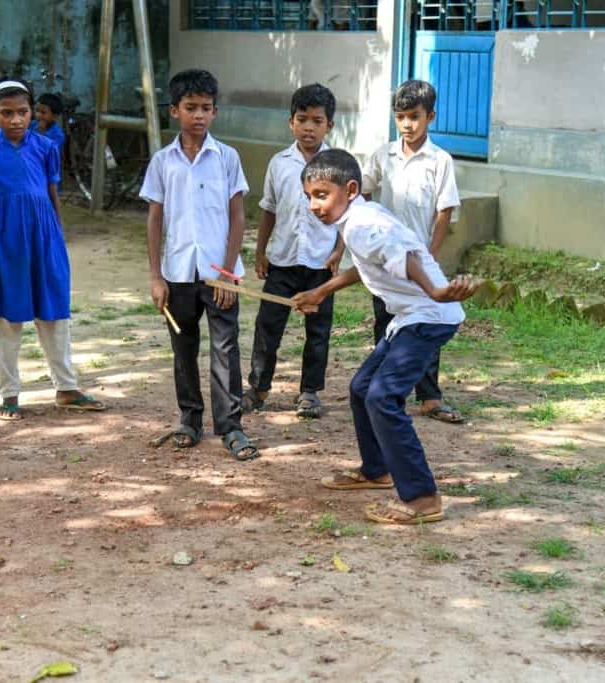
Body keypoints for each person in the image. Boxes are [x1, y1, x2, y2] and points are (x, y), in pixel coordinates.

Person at [292, 149, 478, 524]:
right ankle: (377, 470)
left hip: (428, 315)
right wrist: (322, 291)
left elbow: (404, 255)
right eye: (309, 196)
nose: (314, 205)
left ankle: (423, 498)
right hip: (412, 315)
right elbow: (370, 266)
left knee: (383, 396)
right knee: (362, 387)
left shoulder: (361, 225)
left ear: (351, 188)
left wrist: (436, 292)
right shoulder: (358, 218)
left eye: (322, 195)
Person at [0, 79, 105, 420]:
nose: (16, 120)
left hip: (44, 235)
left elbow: (51, 191)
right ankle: (9, 395)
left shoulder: (45, 145)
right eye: (6, 113)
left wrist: (57, 232)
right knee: (8, 318)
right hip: (5, 237)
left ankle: (66, 387)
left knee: (54, 313)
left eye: (23, 112)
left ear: (32, 112)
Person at [140, 69, 258, 460]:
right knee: (183, 348)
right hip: (177, 275)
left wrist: (227, 274)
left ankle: (231, 426)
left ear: (215, 111)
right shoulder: (163, 161)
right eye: (190, 108)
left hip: (218, 275)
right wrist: (156, 277)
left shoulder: (227, 158)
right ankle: (190, 419)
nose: (199, 116)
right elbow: (156, 219)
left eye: (206, 108)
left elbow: (238, 217)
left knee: (226, 349)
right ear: (175, 110)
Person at [361, 79, 464, 425]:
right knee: (386, 322)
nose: (407, 124)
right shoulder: (382, 155)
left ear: (430, 116)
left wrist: (430, 255)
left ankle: (430, 396)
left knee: (426, 321)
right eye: (401, 116)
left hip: (422, 261)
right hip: (388, 259)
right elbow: (364, 190)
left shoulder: (440, 160)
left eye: (414, 117)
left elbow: (445, 211)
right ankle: (386, 387)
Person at [243, 83, 343, 419]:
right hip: (282, 261)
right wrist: (261, 251)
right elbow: (269, 208)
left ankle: (310, 393)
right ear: (291, 123)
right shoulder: (279, 163)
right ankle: (258, 388)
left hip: (319, 264)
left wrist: (338, 252)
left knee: (317, 332)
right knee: (267, 327)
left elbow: (351, 214)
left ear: (329, 125)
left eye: (317, 120)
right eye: (302, 119)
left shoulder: (339, 166)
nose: (309, 127)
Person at [30, 93, 66, 189]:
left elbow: (48, 153)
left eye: (43, 112)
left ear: (54, 116)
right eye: (36, 110)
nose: (38, 115)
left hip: (47, 173)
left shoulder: (57, 135)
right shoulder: (32, 125)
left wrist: (41, 132)